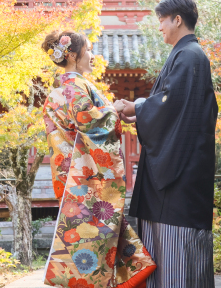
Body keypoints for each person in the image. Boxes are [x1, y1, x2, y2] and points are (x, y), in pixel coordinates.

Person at [115, 0, 219, 288]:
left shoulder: (188, 55)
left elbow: (171, 104)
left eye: (162, 20)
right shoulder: (188, 55)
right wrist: (141, 113)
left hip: (177, 182)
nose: (159, 26)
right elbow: (177, 107)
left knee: (176, 263)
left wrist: (136, 106)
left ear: (177, 20)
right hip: (181, 175)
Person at [40, 30, 156, 288]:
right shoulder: (75, 87)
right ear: (72, 55)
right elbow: (88, 121)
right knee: (94, 238)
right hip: (85, 179)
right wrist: (113, 111)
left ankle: (123, 277)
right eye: (89, 50)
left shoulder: (62, 90)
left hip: (73, 175)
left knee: (98, 236)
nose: (93, 55)